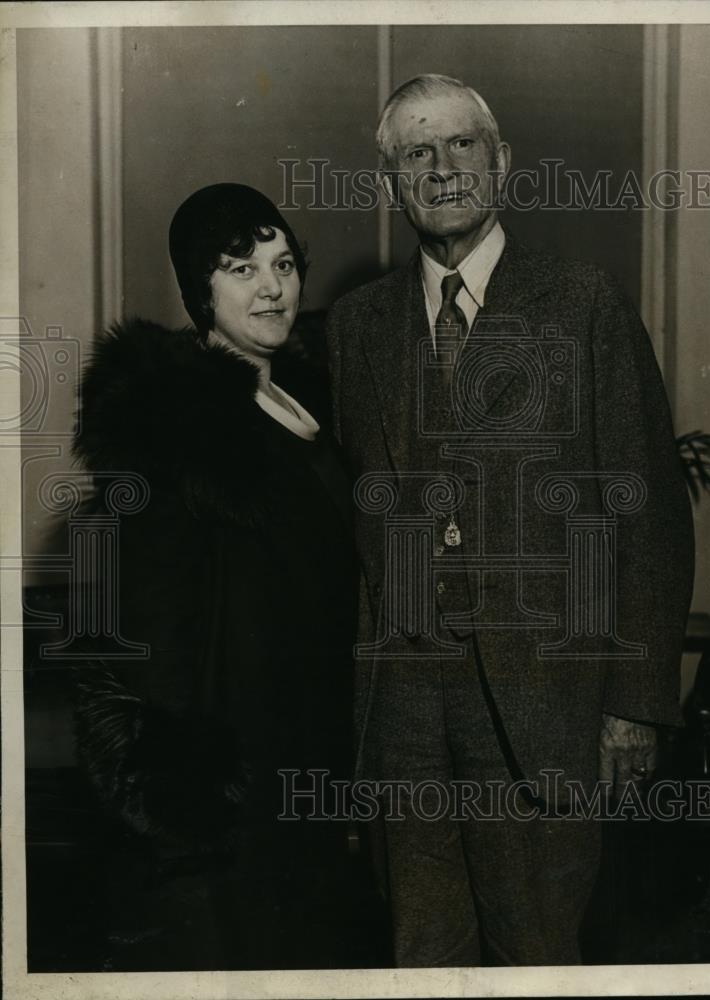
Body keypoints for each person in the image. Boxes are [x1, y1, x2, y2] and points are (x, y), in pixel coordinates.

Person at [325, 74, 695, 967]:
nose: (442, 169)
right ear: (391, 182)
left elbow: (642, 509)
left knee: (535, 951)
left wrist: (634, 707)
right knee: (421, 951)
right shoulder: (354, 326)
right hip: (404, 714)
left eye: (461, 145)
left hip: (546, 708)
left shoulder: (582, 302)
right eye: (417, 152)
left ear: (502, 163)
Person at [72, 183, 358, 970]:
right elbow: (154, 633)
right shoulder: (177, 424)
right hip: (237, 775)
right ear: (200, 289)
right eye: (241, 268)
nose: (273, 287)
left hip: (310, 748)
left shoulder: (301, 403)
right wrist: (191, 800)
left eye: (284, 262)